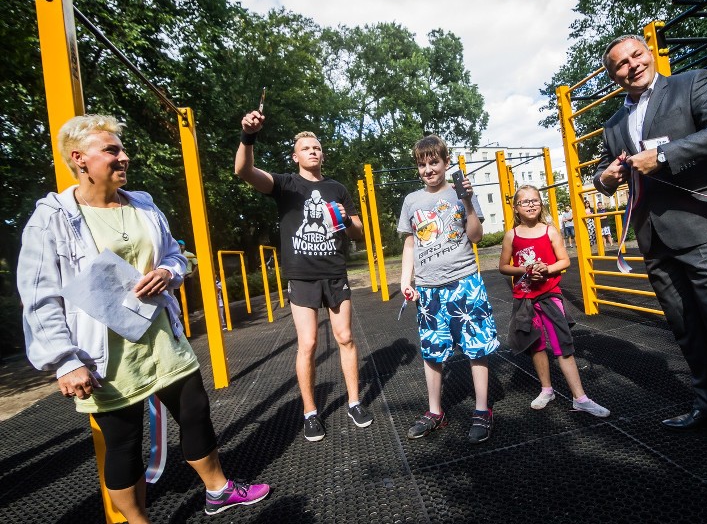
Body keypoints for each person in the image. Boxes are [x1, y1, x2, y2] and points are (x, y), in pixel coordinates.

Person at [17, 115, 269, 522]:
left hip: (161, 339)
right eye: (112, 150)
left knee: (195, 411)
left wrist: (169, 271)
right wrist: (64, 360)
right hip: (106, 355)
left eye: (122, 148)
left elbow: (175, 254)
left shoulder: (143, 205)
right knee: (123, 440)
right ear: (79, 158)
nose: (124, 157)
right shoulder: (52, 218)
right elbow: (38, 296)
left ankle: (219, 490)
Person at [593, 34, 707, 470]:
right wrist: (607, 178)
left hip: (704, 227)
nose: (631, 65)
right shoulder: (615, 122)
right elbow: (602, 172)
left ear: (648, 55)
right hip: (654, 237)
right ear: (614, 76)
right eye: (620, 64)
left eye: (636, 55)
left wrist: (665, 155)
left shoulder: (691, 83)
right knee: (687, 329)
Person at [235, 110, 373, 442]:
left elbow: (357, 233)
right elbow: (243, 170)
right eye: (306, 148)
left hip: (334, 273)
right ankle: (310, 413)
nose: (312, 151)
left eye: (317, 147)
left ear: (322, 154)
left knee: (345, 338)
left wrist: (345, 219)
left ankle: (354, 402)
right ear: (295, 156)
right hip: (302, 276)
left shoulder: (337, 188)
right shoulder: (286, 185)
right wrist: (248, 136)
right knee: (308, 344)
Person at [398, 134, 500, 444]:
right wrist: (406, 280)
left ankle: (482, 410)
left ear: (445, 163)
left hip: (463, 281)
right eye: (422, 164)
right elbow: (410, 243)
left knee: (476, 346)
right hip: (428, 289)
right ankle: (434, 411)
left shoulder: (461, 192)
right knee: (432, 350)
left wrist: (467, 200)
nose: (428, 169)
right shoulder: (411, 201)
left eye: (434, 162)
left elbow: (477, 235)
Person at [499, 185, 610, 417]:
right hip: (525, 298)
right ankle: (546, 389)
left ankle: (580, 398)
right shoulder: (512, 234)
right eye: (525, 202)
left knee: (562, 345)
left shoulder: (550, 231)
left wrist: (547, 269)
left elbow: (564, 261)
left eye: (535, 200)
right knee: (536, 345)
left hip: (549, 295)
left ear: (541, 204)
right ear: (516, 208)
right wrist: (525, 269)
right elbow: (503, 266)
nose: (530, 205)